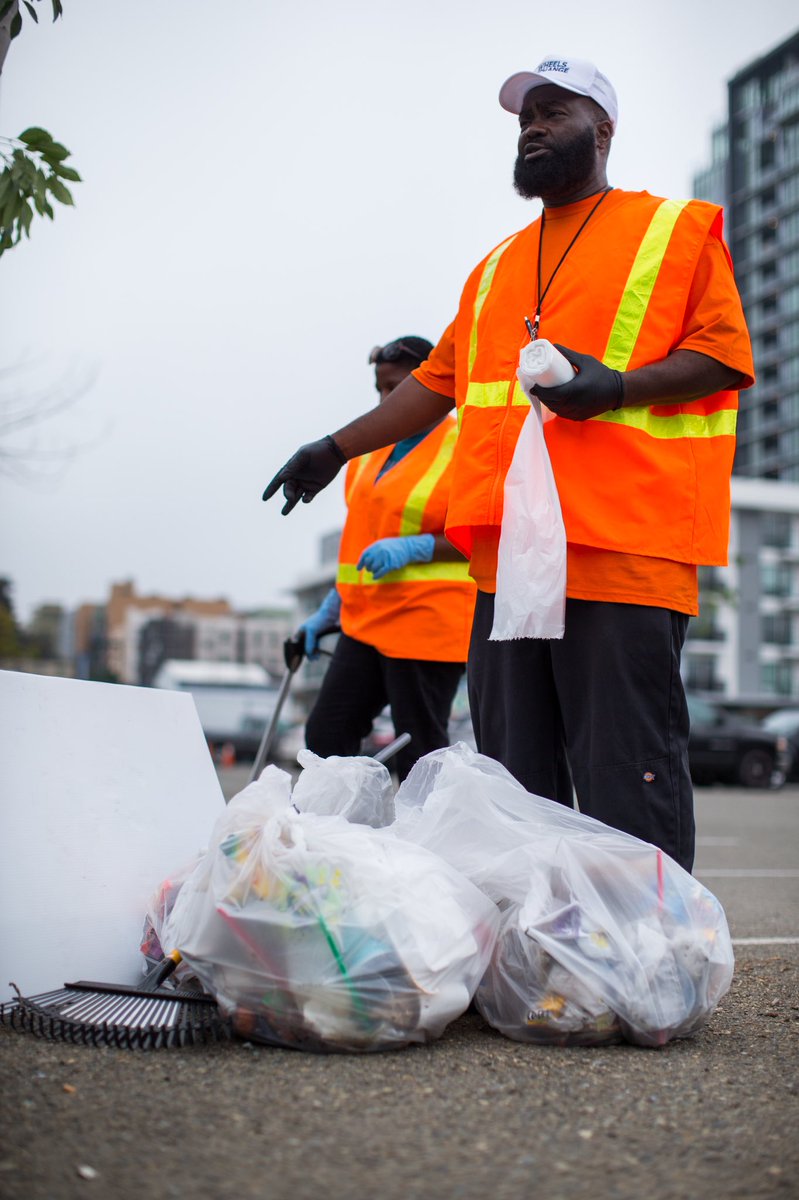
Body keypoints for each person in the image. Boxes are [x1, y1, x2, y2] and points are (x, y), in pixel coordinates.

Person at [264, 57, 754, 871]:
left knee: (624, 776)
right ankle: (542, 963)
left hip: (621, 546)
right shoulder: (493, 269)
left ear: (602, 130)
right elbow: (432, 388)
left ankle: (651, 966)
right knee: (511, 784)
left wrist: (619, 385)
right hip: (504, 567)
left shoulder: (670, 231)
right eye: (524, 115)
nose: (531, 126)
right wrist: (333, 447)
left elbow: (723, 354)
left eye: (553, 111)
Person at [295, 337, 476, 782]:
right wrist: (331, 608)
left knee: (417, 752)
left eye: (396, 389)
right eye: (380, 390)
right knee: (325, 738)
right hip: (365, 621)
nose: (385, 402)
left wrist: (416, 547)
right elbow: (361, 535)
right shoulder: (369, 449)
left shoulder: (464, 447)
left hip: (428, 623)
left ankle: (424, 847)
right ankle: (326, 839)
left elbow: (489, 533)